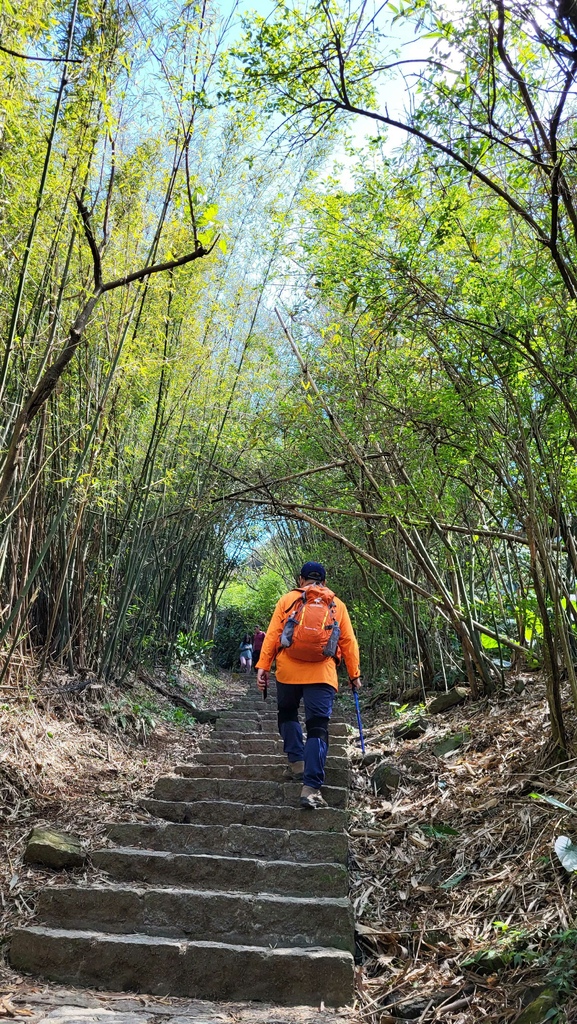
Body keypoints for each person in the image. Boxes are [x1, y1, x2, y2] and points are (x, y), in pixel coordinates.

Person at [257, 561, 361, 809]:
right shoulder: (337, 604)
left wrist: (263, 666)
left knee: (288, 713)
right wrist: (354, 674)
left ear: (300, 579)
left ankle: (296, 762)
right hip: (323, 673)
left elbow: (273, 634)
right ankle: (311, 788)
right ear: (324, 581)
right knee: (317, 728)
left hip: (288, 671)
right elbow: (348, 641)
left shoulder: (287, 600)